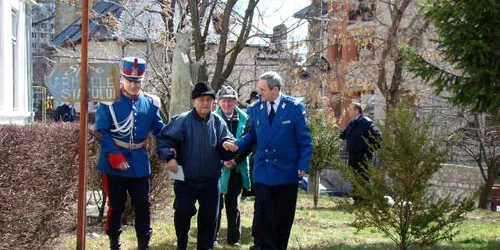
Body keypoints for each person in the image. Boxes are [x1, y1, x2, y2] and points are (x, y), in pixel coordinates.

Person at [224, 71, 313, 250]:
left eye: (263, 89)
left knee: (283, 218)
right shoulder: (256, 109)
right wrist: (237, 144)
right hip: (263, 172)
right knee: (264, 218)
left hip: (286, 172)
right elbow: (252, 135)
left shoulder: (294, 108)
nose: (259, 92)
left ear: (275, 90)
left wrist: (303, 164)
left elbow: (305, 139)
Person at [94, 57, 165, 250]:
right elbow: (101, 130)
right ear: (122, 79)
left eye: (137, 81)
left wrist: (171, 144)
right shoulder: (109, 101)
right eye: (129, 80)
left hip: (139, 163)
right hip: (113, 161)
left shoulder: (151, 103)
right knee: (116, 206)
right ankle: (114, 242)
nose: (133, 85)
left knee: (142, 204)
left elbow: (160, 129)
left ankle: (143, 243)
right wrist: (114, 154)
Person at [157, 82, 236, 250]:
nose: (205, 103)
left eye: (209, 100)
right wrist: (169, 157)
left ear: (213, 102)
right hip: (185, 178)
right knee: (183, 212)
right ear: (193, 101)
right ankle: (182, 243)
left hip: (211, 180)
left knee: (209, 219)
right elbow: (164, 139)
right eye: (202, 99)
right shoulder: (182, 120)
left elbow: (226, 142)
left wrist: (229, 148)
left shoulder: (218, 122)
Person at [213, 85, 250, 247]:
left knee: (233, 204)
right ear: (219, 102)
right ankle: (212, 237)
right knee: (215, 204)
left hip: (237, 166)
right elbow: (209, 144)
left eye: (230, 100)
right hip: (217, 168)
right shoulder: (211, 118)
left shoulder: (246, 119)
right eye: (224, 100)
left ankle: (234, 239)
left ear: (235, 101)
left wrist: (235, 160)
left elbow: (249, 143)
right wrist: (223, 161)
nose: (227, 104)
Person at [339, 102, 381, 201]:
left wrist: (372, 148)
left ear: (357, 110)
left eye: (351, 109)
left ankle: (364, 201)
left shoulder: (366, 122)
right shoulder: (352, 123)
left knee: (363, 178)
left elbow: (378, 136)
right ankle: (357, 200)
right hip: (352, 155)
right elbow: (344, 135)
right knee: (354, 178)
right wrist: (337, 131)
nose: (349, 111)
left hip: (363, 155)